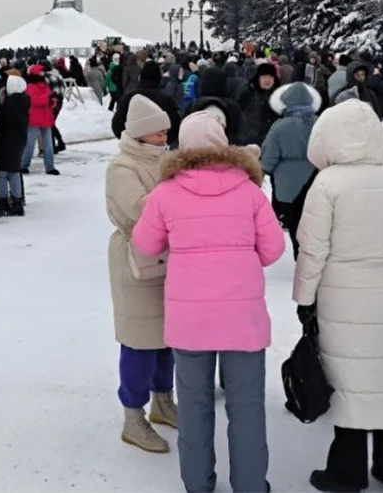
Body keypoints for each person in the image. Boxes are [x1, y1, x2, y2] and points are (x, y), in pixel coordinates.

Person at [133, 111, 284, 493]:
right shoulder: (248, 190)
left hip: (190, 321)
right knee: (247, 408)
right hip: (242, 319)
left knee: (195, 407)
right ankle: (251, 485)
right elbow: (273, 249)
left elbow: (145, 245)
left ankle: (197, 483)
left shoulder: (166, 192)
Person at [293, 98, 383, 493]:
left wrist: (305, 298)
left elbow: (312, 249)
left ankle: (347, 473)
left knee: (350, 384)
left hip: (342, 299)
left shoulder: (328, 184)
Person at [104, 95, 175, 454]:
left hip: (170, 260)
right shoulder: (122, 167)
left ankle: (164, 402)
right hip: (137, 262)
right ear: (141, 133)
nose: (165, 133)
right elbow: (138, 210)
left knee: (168, 341)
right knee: (139, 343)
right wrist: (183, 195)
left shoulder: (166, 159)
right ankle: (134, 417)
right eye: (158, 129)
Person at [261, 82, 322, 258]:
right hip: (316, 181)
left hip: (287, 186)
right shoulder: (320, 123)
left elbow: (268, 159)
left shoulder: (280, 126)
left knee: (296, 224)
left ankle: (300, 256)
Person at [110, 61, 180, 146]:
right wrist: (161, 141)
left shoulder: (128, 97)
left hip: (133, 150)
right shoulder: (166, 99)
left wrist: (131, 141)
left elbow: (117, 124)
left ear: (141, 76)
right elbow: (175, 126)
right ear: (158, 77)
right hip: (158, 151)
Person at [0, 75, 30, 216]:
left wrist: (1, 103)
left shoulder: (10, 103)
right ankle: (17, 201)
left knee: (2, 172)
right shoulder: (23, 101)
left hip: (6, 140)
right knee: (14, 171)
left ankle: (3, 201)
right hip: (18, 140)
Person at [22, 64, 59, 176]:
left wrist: (53, 101)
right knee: (30, 144)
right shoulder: (30, 87)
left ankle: (50, 167)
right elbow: (35, 100)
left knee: (48, 144)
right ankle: (23, 165)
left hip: (45, 117)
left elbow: (47, 101)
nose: (43, 75)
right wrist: (48, 99)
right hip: (34, 118)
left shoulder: (45, 86)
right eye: (41, 73)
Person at [239, 62, 282, 147]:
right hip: (250, 139)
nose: (267, 80)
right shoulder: (247, 93)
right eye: (264, 77)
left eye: (270, 77)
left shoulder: (276, 96)